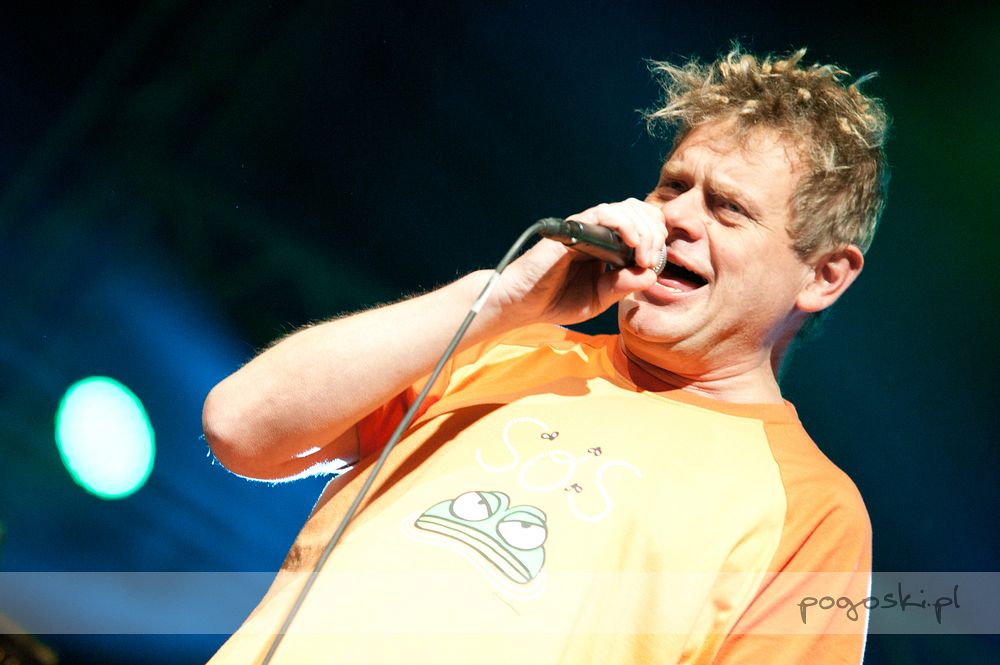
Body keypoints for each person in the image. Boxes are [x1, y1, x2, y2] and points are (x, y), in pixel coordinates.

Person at [202, 44, 889, 664]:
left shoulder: (809, 509)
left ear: (824, 276)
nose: (678, 216)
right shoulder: (496, 346)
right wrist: (496, 300)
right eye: (673, 185)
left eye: (728, 207)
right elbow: (240, 424)